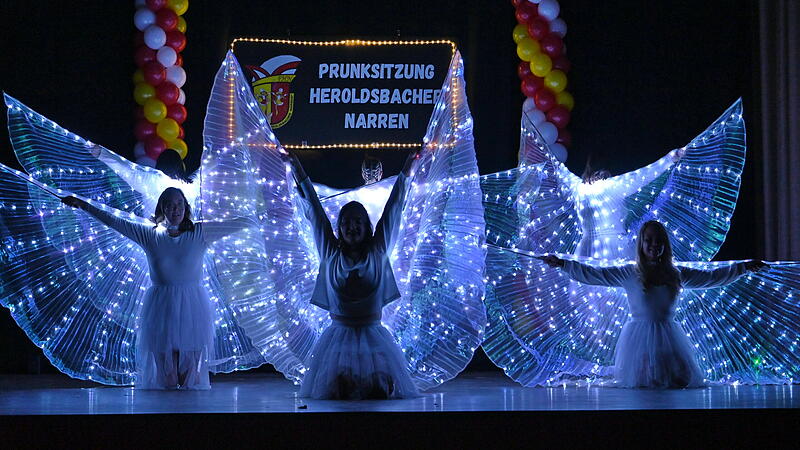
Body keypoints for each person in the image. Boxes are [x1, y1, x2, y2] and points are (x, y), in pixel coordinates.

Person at [61, 187, 253, 389]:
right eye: (169, 205)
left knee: (190, 378)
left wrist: (264, 217)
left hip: (192, 307)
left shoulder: (200, 232)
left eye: (179, 204)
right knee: (167, 379)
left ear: (185, 207)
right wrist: (84, 205)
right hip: (161, 307)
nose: (175, 209)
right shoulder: (149, 235)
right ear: (162, 209)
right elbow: (115, 222)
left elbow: (236, 224)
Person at [542, 220, 765, 388]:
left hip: (669, 335)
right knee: (646, 383)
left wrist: (742, 268)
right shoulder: (630, 272)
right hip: (639, 337)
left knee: (680, 381)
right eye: (649, 240)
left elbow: (711, 277)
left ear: (665, 245)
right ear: (641, 243)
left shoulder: (676, 273)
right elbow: (594, 274)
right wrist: (563, 264)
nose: (654, 245)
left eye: (658, 241)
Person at [283, 148, 420, 399]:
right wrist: (298, 170)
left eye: (357, 222)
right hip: (339, 339)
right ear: (339, 228)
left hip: (373, 336)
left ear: (367, 226)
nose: (352, 227)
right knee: (339, 391)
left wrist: (406, 172)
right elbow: (314, 211)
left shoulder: (378, 252)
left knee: (378, 391)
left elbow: (394, 209)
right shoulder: (330, 253)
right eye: (346, 223)